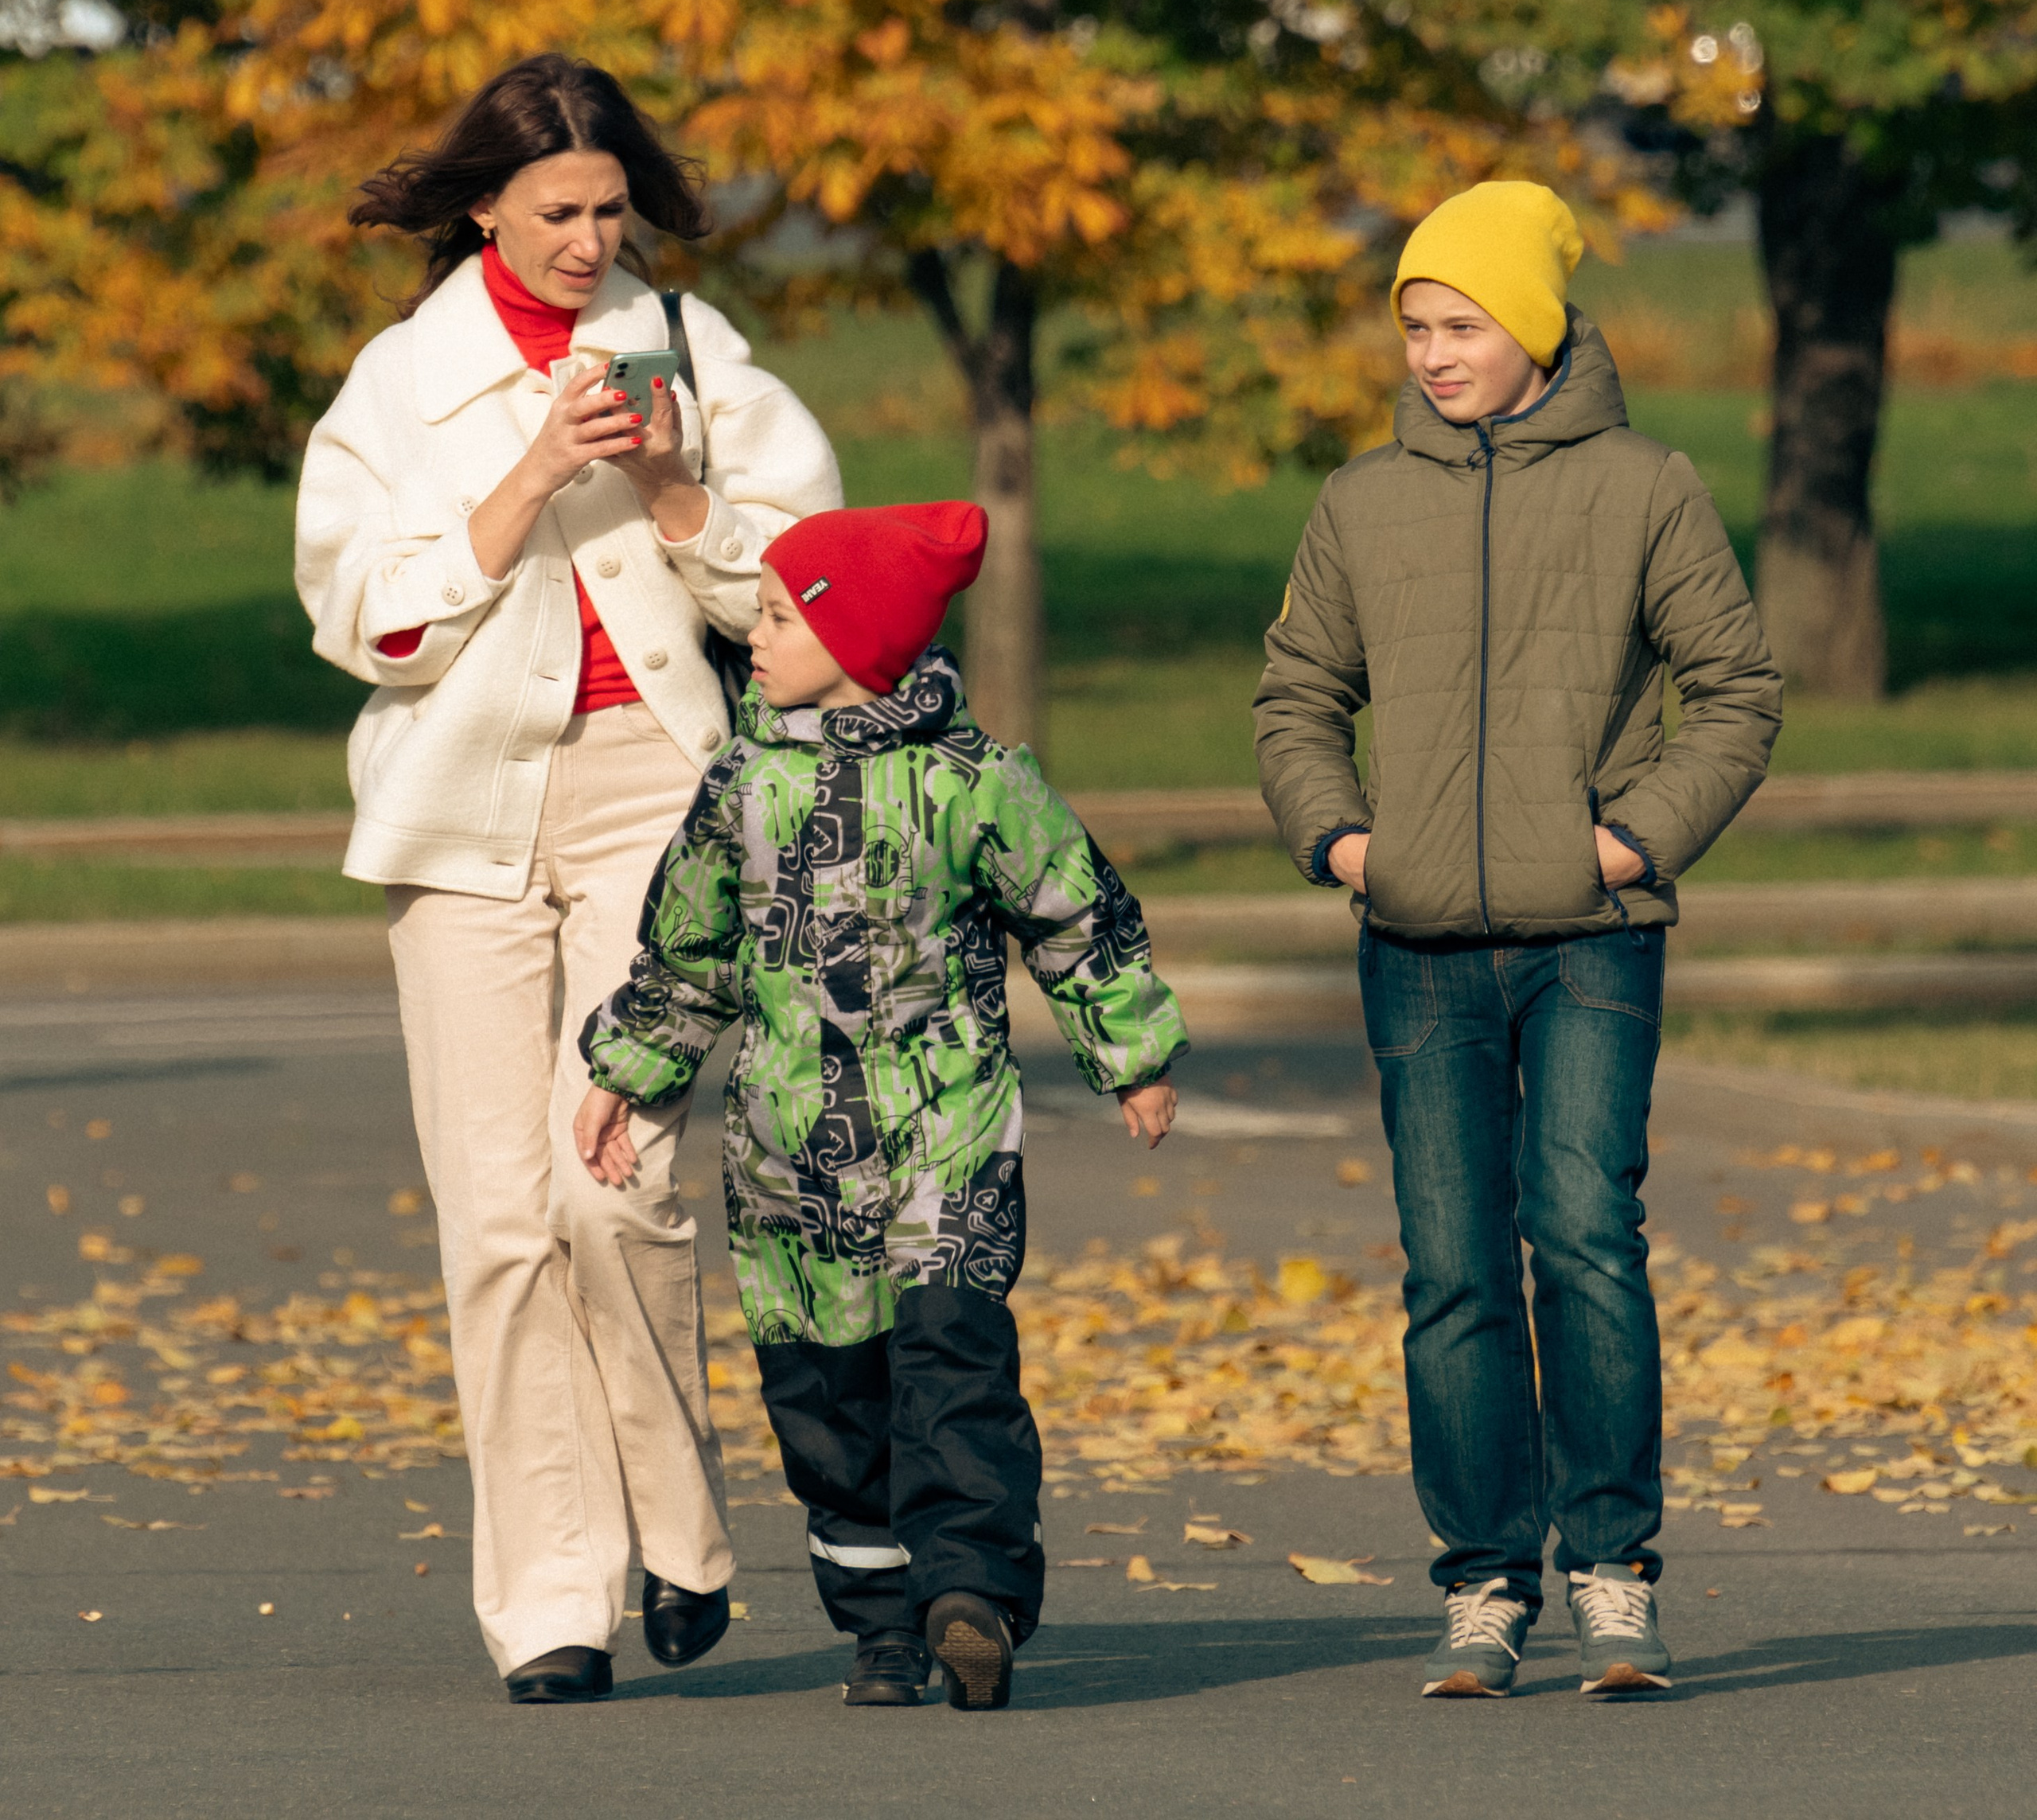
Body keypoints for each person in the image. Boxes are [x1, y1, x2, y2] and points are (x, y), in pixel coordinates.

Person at [294, 53, 842, 1704]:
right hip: (458, 819)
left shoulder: (693, 351)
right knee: (499, 1217)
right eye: (555, 211)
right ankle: (552, 1598)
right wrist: (529, 471)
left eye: (611, 207)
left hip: (650, 803)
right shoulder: (404, 381)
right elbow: (362, 621)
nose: (590, 238)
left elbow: (800, 595)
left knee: (613, 1179)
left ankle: (676, 1526)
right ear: (484, 206)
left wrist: (675, 489)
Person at [1254, 181, 1781, 1701]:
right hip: (1416, 945)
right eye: (1415, 326)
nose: (1432, 352)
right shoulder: (1362, 502)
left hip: (1595, 935)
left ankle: (1611, 1569)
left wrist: (1628, 839)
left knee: (1584, 1234)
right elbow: (1296, 697)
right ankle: (1485, 1579)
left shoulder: (1646, 487)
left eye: (1462, 323)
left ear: (1534, 328)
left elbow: (1734, 692)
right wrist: (1351, 843)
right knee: (1454, 1266)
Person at [572, 501, 1187, 1712]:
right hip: (789, 1167)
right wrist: (626, 1073)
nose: (755, 630)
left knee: (955, 1369)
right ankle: (881, 1630)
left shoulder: (978, 782)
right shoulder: (740, 786)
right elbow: (689, 954)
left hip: (946, 1140)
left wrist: (1134, 1052)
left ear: (867, 642)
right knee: (830, 1411)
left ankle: (970, 1597)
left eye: (783, 612)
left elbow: (1077, 916)